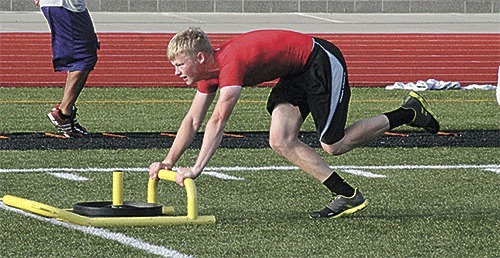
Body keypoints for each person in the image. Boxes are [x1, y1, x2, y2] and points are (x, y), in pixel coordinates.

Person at [148, 27, 440, 219]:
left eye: (179, 65)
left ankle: (408, 112)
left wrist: (197, 168)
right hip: (295, 72)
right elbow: (193, 120)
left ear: (200, 57)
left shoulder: (229, 64)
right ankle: (346, 194)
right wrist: (168, 162)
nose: (176, 72)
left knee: (332, 144)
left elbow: (218, 119)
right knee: (280, 139)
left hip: (320, 60)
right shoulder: (207, 73)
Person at [35, 0, 99, 138]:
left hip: (65, 5)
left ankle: (65, 111)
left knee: (83, 54)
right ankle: (64, 112)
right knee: (84, 56)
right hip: (63, 6)